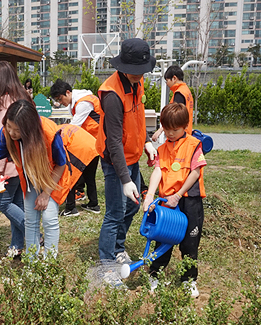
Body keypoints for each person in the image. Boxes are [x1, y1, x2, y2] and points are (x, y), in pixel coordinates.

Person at [0, 100, 94, 257]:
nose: (12, 133)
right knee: (30, 220)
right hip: (30, 179)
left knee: (49, 219)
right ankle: (32, 261)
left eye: (17, 130)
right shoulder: (6, 134)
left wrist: (46, 193)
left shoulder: (49, 134)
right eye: (9, 126)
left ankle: (50, 263)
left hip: (52, 177)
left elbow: (61, 165)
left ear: (29, 129)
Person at [96, 38, 157, 264]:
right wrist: (124, 179)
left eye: (141, 71)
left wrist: (147, 142)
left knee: (132, 206)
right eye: (134, 71)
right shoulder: (112, 96)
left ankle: (118, 247)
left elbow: (138, 119)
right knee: (115, 213)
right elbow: (113, 141)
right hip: (115, 160)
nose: (139, 75)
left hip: (132, 156)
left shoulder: (137, 83)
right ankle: (107, 263)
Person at [143, 102, 206, 298]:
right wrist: (151, 196)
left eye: (175, 130)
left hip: (189, 200)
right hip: (166, 202)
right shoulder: (161, 149)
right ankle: (155, 276)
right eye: (167, 129)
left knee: (189, 243)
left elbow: (195, 172)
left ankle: (189, 281)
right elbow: (157, 171)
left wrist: (178, 195)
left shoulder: (194, 145)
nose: (170, 134)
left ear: (185, 125)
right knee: (162, 238)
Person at [0, 61, 32, 257]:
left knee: (2, 201)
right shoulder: (23, 97)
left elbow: (5, 137)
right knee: (17, 202)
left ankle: (33, 233)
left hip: (8, 165)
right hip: (22, 162)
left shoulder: (6, 102)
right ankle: (16, 246)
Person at [49, 79, 102, 216]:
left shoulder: (83, 102)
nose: (60, 103)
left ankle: (71, 207)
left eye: (60, 99)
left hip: (88, 143)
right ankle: (93, 204)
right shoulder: (81, 99)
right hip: (92, 144)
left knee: (70, 173)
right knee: (89, 176)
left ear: (68, 92)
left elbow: (73, 126)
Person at [151, 65, 195, 140]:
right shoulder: (186, 90)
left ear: (174, 78)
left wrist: (160, 130)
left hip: (178, 135)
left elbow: (173, 116)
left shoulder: (179, 93)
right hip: (185, 133)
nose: (167, 84)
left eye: (167, 80)